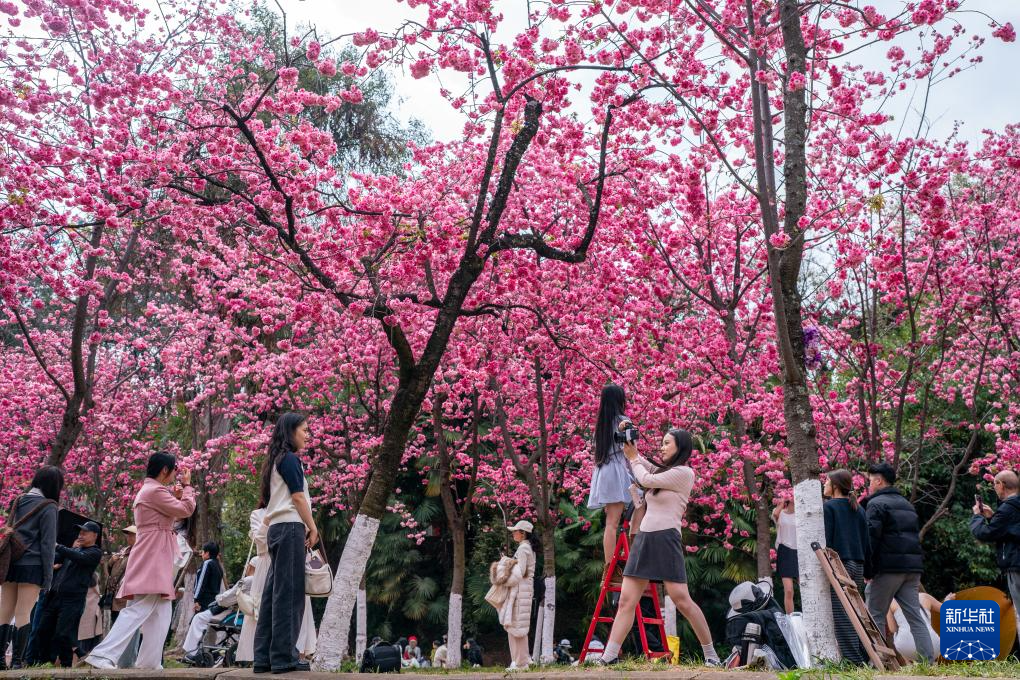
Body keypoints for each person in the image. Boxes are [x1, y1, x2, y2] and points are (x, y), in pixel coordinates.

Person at [594, 429, 721, 667]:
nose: (661, 448)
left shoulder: (684, 473)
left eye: (666, 443)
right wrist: (628, 442)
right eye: (661, 443)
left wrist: (633, 458)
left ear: (680, 447)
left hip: (666, 539)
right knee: (626, 601)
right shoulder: (664, 471)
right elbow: (642, 464)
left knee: (681, 600)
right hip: (644, 538)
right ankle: (608, 656)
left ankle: (711, 655)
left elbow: (645, 478)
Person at [84, 451, 196, 670]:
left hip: (154, 551)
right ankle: (103, 654)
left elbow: (173, 513)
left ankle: (149, 662)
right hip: (154, 553)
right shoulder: (154, 491)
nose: (176, 474)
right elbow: (185, 510)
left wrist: (176, 494)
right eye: (174, 470)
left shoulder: (153, 490)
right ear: (165, 470)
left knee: (161, 611)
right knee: (141, 606)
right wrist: (188, 488)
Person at [252, 413, 319, 675]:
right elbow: (299, 498)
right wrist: (312, 527)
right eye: (304, 430)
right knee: (289, 595)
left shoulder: (275, 460)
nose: (307, 435)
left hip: (277, 529)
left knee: (272, 595)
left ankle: (264, 658)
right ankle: (284, 657)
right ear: (291, 431)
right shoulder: (291, 459)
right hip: (291, 527)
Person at [863, 462, 933, 662]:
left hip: (888, 568)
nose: (869, 485)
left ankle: (876, 661)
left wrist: (868, 569)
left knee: (875, 613)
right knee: (915, 616)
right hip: (911, 569)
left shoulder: (876, 504)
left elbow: (871, 539)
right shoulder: (907, 505)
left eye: (870, 481)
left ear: (878, 480)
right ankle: (927, 661)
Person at [0, 466, 62, 670]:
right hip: (33, 565)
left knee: (5, 611)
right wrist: (48, 577)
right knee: (23, 612)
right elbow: (47, 544)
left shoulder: (19, 500)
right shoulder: (49, 506)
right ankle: (17, 662)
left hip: (11, 562)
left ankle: (1, 660)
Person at [30, 522, 102, 667]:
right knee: (42, 630)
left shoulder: (94, 553)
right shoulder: (73, 550)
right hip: (55, 597)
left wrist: (58, 546)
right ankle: (45, 662)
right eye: (79, 532)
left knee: (63, 633)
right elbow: (55, 558)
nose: (80, 535)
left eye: (84, 532)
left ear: (94, 536)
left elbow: (78, 557)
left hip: (73, 599)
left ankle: (67, 664)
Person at [588, 384, 641, 566]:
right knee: (614, 521)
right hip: (616, 470)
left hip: (603, 470)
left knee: (611, 522)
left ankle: (610, 565)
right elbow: (631, 450)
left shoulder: (601, 423)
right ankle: (612, 567)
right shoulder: (623, 421)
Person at [822, 469, 870, 664]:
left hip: (840, 563)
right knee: (856, 611)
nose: (823, 485)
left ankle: (853, 661)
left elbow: (827, 541)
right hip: (858, 564)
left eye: (826, 481)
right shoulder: (859, 509)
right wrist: (869, 570)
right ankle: (864, 654)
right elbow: (866, 542)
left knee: (842, 614)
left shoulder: (829, 508)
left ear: (835, 485)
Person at [969, 469, 1020, 647]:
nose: (994, 488)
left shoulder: (1007, 508)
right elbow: (1009, 530)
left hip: (1016, 565)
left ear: (1001, 485)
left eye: (995, 484)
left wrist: (977, 516)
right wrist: (992, 516)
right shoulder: (1014, 507)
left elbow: (986, 533)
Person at [183, 559, 255, 663]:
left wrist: (218, 598)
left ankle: (191, 652)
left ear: (250, 567)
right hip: (245, 612)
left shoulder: (247, 580)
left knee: (199, 618)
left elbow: (227, 598)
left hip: (233, 613)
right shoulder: (260, 581)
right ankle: (211, 650)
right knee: (211, 625)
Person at [501, 519, 537, 670]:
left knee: (516, 627)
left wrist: (504, 575)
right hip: (524, 591)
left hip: (520, 591)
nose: (513, 534)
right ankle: (523, 660)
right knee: (519, 627)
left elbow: (519, 572)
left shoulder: (523, 549)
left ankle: (520, 662)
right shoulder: (527, 548)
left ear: (523, 534)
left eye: (515, 531)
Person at [887, 592, 941, 661]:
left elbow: (892, 629)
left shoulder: (891, 601)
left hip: (906, 648)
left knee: (898, 634)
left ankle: (912, 665)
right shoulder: (924, 597)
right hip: (933, 645)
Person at [772, 495, 798, 614]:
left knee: (805, 586)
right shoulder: (780, 513)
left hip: (799, 551)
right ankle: (791, 618)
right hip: (785, 551)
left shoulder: (802, 514)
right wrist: (783, 501)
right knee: (788, 590)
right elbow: (775, 515)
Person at [76, 574, 104, 658]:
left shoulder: (80, 577)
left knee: (83, 637)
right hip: (93, 611)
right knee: (92, 637)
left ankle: (82, 657)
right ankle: (89, 657)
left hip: (85, 611)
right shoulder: (95, 576)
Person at [193, 542, 223, 613]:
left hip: (204, 600)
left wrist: (196, 599)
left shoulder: (207, 563)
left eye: (203, 551)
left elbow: (201, 582)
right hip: (214, 600)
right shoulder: (218, 566)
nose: (202, 554)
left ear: (207, 553)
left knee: (197, 622)